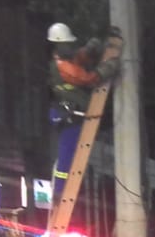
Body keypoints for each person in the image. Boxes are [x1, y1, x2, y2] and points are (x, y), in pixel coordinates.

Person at [47, 22, 121, 204]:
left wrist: (92, 47)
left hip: (71, 116)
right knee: (66, 157)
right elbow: (87, 78)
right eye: (67, 44)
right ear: (59, 44)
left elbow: (80, 59)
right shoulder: (63, 66)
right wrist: (107, 69)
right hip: (71, 119)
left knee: (67, 156)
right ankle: (60, 193)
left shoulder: (64, 61)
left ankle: (61, 192)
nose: (70, 47)